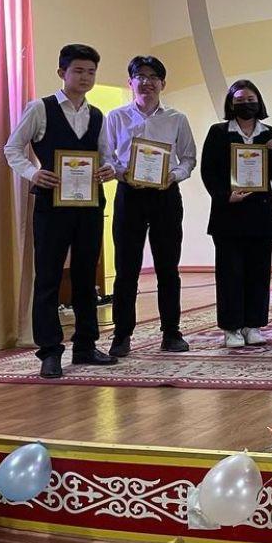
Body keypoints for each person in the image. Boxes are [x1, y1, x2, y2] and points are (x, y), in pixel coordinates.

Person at [3, 43, 118, 378]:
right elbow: (12, 148)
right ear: (62, 72)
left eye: (91, 72)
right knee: (49, 277)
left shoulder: (97, 115)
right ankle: (50, 352)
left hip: (89, 205)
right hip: (51, 206)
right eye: (78, 70)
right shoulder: (40, 108)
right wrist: (33, 173)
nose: (85, 77)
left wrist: (109, 169)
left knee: (85, 276)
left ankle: (85, 346)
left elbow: (107, 156)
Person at [102, 56, 196, 357]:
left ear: (163, 83)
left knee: (168, 267)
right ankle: (121, 335)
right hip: (129, 195)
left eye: (154, 76)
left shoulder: (177, 118)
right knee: (126, 268)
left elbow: (188, 158)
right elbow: (106, 156)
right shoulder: (115, 117)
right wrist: (122, 173)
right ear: (130, 82)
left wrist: (174, 176)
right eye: (140, 76)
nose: (147, 82)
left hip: (166, 195)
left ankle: (171, 332)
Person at [199, 80, 272, 347]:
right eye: (239, 100)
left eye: (250, 99)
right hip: (228, 215)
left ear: (258, 102)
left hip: (260, 216)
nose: (245, 104)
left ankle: (253, 325)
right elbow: (208, 172)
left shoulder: (269, 133)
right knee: (230, 273)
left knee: (259, 273)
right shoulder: (218, 132)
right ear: (230, 104)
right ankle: (231, 329)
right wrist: (225, 196)